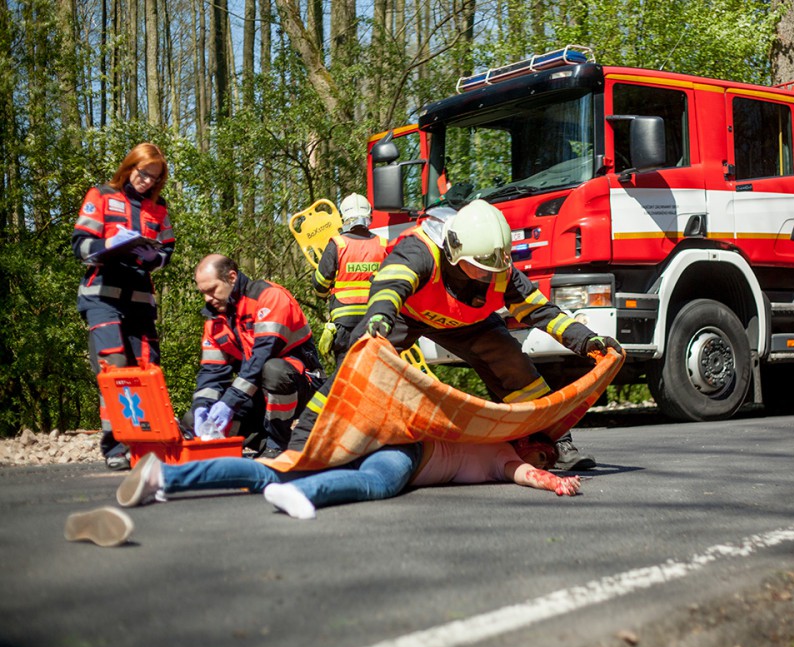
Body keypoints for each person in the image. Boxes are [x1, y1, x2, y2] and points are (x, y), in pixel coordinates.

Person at [291, 200, 620, 471]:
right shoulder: (420, 250)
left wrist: (587, 341)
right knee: (356, 364)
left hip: (471, 323)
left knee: (516, 369)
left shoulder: (500, 268)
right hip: (407, 317)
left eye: (495, 268)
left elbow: (544, 313)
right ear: (454, 253)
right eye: (479, 268)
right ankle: (304, 444)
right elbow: (390, 284)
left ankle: (558, 444)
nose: (487, 276)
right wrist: (380, 316)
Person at [115, 436, 581, 520]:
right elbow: (521, 471)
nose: (543, 457)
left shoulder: (488, 431)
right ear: (528, 440)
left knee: (265, 470)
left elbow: (521, 469)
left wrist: (546, 475)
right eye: (544, 450)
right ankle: (297, 495)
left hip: (383, 436)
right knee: (376, 485)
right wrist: (549, 480)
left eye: (548, 456)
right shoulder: (503, 449)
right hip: (407, 454)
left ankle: (166, 477)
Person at [72, 143, 175, 470]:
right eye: (143, 173)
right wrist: (110, 246)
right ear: (129, 167)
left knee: (147, 368)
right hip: (101, 296)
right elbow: (80, 244)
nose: (147, 181)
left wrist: (154, 258)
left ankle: (145, 442)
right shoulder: (100, 196)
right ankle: (114, 446)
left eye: (154, 178)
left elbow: (167, 252)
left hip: (141, 301)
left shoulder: (159, 210)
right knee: (114, 365)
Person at [191, 254, 325, 457]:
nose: (207, 298)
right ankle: (266, 444)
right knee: (191, 419)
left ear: (232, 277)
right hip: (258, 393)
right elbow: (211, 371)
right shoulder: (215, 321)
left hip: (301, 387)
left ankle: (276, 445)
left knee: (273, 370)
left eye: (212, 290)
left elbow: (263, 355)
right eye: (203, 292)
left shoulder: (268, 297)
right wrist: (201, 407)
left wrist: (230, 401)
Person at [312, 193, 387, 366]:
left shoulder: (338, 244)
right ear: (369, 216)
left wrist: (323, 294)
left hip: (344, 323)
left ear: (344, 217)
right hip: (375, 320)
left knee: (345, 373)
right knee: (373, 371)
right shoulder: (383, 244)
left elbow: (320, 284)